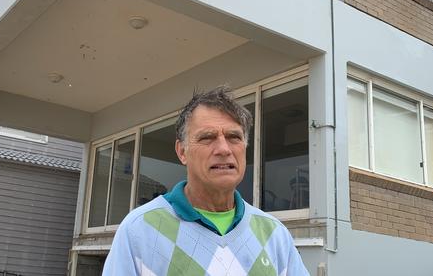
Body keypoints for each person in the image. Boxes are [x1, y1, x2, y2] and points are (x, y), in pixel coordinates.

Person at [103, 86, 309, 275]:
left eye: (234, 137)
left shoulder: (274, 234)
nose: (224, 149)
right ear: (182, 151)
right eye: (207, 137)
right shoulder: (139, 230)